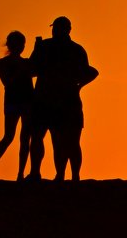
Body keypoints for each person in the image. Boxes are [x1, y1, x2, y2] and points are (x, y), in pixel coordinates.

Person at [27, 16, 98, 182]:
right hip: (66, 99)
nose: (53, 31)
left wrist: (36, 53)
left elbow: (31, 70)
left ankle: (42, 173)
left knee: (42, 137)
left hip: (46, 99)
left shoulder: (45, 47)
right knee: (61, 140)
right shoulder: (76, 49)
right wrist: (78, 85)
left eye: (55, 28)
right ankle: (67, 176)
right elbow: (91, 72)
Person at [0, 31, 34, 182]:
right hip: (13, 101)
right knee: (9, 136)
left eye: (22, 44)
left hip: (27, 101)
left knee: (25, 138)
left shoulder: (26, 63)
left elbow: (36, 70)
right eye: (17, 44)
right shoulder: (3, 63)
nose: (20, 47)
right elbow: (7, 82)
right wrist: (22, 69)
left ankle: (20, 174)